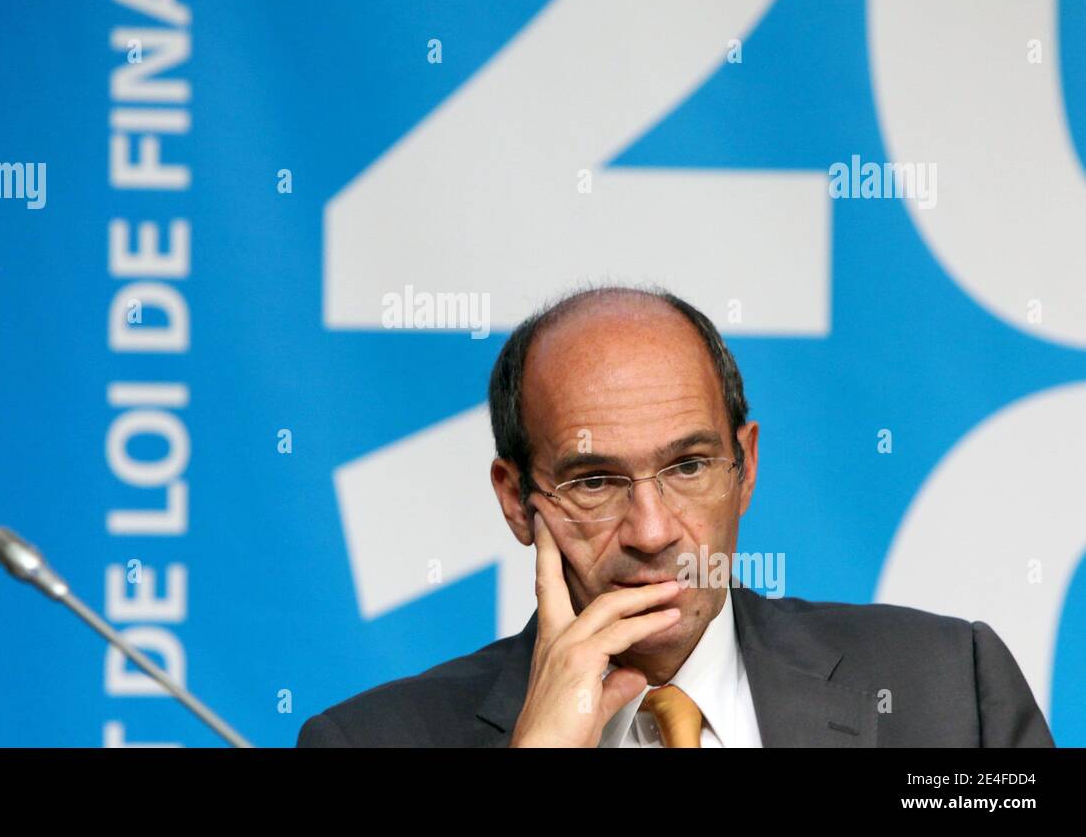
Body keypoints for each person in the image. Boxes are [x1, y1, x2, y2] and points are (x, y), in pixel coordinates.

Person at [297, 285, 1055, 747]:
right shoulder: (365, 742)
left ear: (746, 467)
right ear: (516, 500)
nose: (653, 532)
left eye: (688, 467)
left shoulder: (950, 692)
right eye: (595, 482)